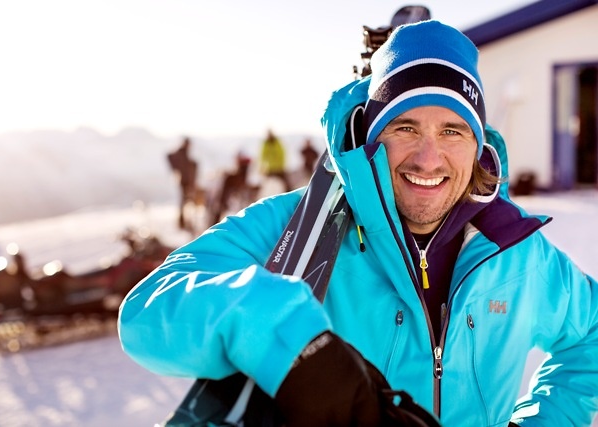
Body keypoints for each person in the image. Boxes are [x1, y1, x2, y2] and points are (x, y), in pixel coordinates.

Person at [118, 20, 598, 427]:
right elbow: (148, 309)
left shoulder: (517, 254)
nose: (428, 158)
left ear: (478, 146)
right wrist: (291, 345)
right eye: (404, 127)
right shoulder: (299, 228)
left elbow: (590, 336)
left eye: (452, 131)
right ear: (371, 135)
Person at [166, 137, 198, 230]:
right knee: (184, 201)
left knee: (187, 201)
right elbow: (169, 156)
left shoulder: (185, 153)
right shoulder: (180, 152)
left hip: (187, 181)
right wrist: (175, 169)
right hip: (184, 181)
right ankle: (182, 222)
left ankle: (186, 221)